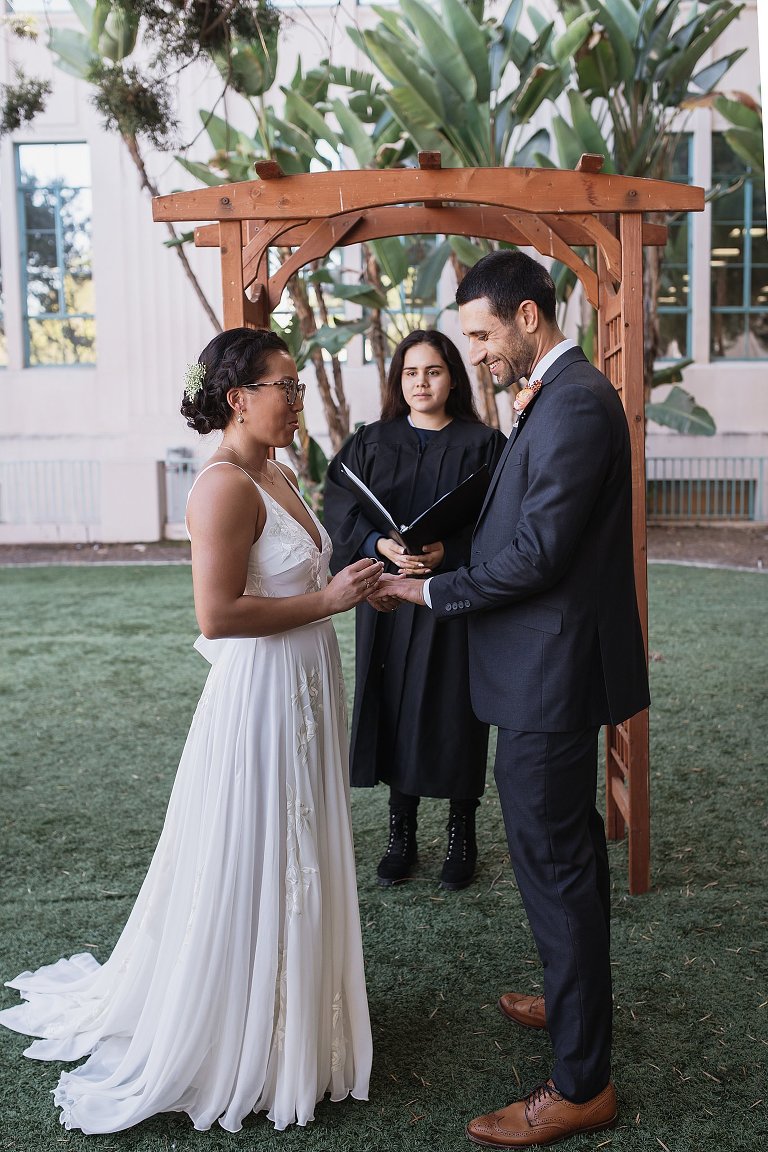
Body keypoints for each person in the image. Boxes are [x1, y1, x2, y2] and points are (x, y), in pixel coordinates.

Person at [0, 327, 382, 1135]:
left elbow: (296, 573)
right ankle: (246, 1033)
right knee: (263, 849)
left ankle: (298, 1019)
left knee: (301, 846)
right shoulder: (223, 487)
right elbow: (218, 614)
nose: (298, 400)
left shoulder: (278, 470)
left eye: (299, 386)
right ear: (239, 398)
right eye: (286, 386)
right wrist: (328, 602)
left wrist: (353, 584)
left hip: (306, 684)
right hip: (263, 697)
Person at [371, 252, 651, 1147]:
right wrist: (447, 558)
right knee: (563, 855)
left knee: (555, 864)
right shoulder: (555, 395)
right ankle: (573, 1003)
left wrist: (428, 592)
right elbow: (515, 526)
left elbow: (540, 554)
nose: (477, 353)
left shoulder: (577, 402)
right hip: (540, 671)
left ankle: (581, 1084)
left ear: (529, 316)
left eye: (483, 334)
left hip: (549, 678)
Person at [323, 330, 505, 890]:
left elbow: (503, 523)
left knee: (456, 709)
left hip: (453, 596)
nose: (420, 383)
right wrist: (377, 544)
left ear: (453, 378)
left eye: (433, 371)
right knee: (396, 702)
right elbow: (340, 507)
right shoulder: (371, 442)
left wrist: (449, 551)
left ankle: (461, 830)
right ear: (397, 380)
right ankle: (400, 831)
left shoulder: (484, 445)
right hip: (387, 596)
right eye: (410, 372)